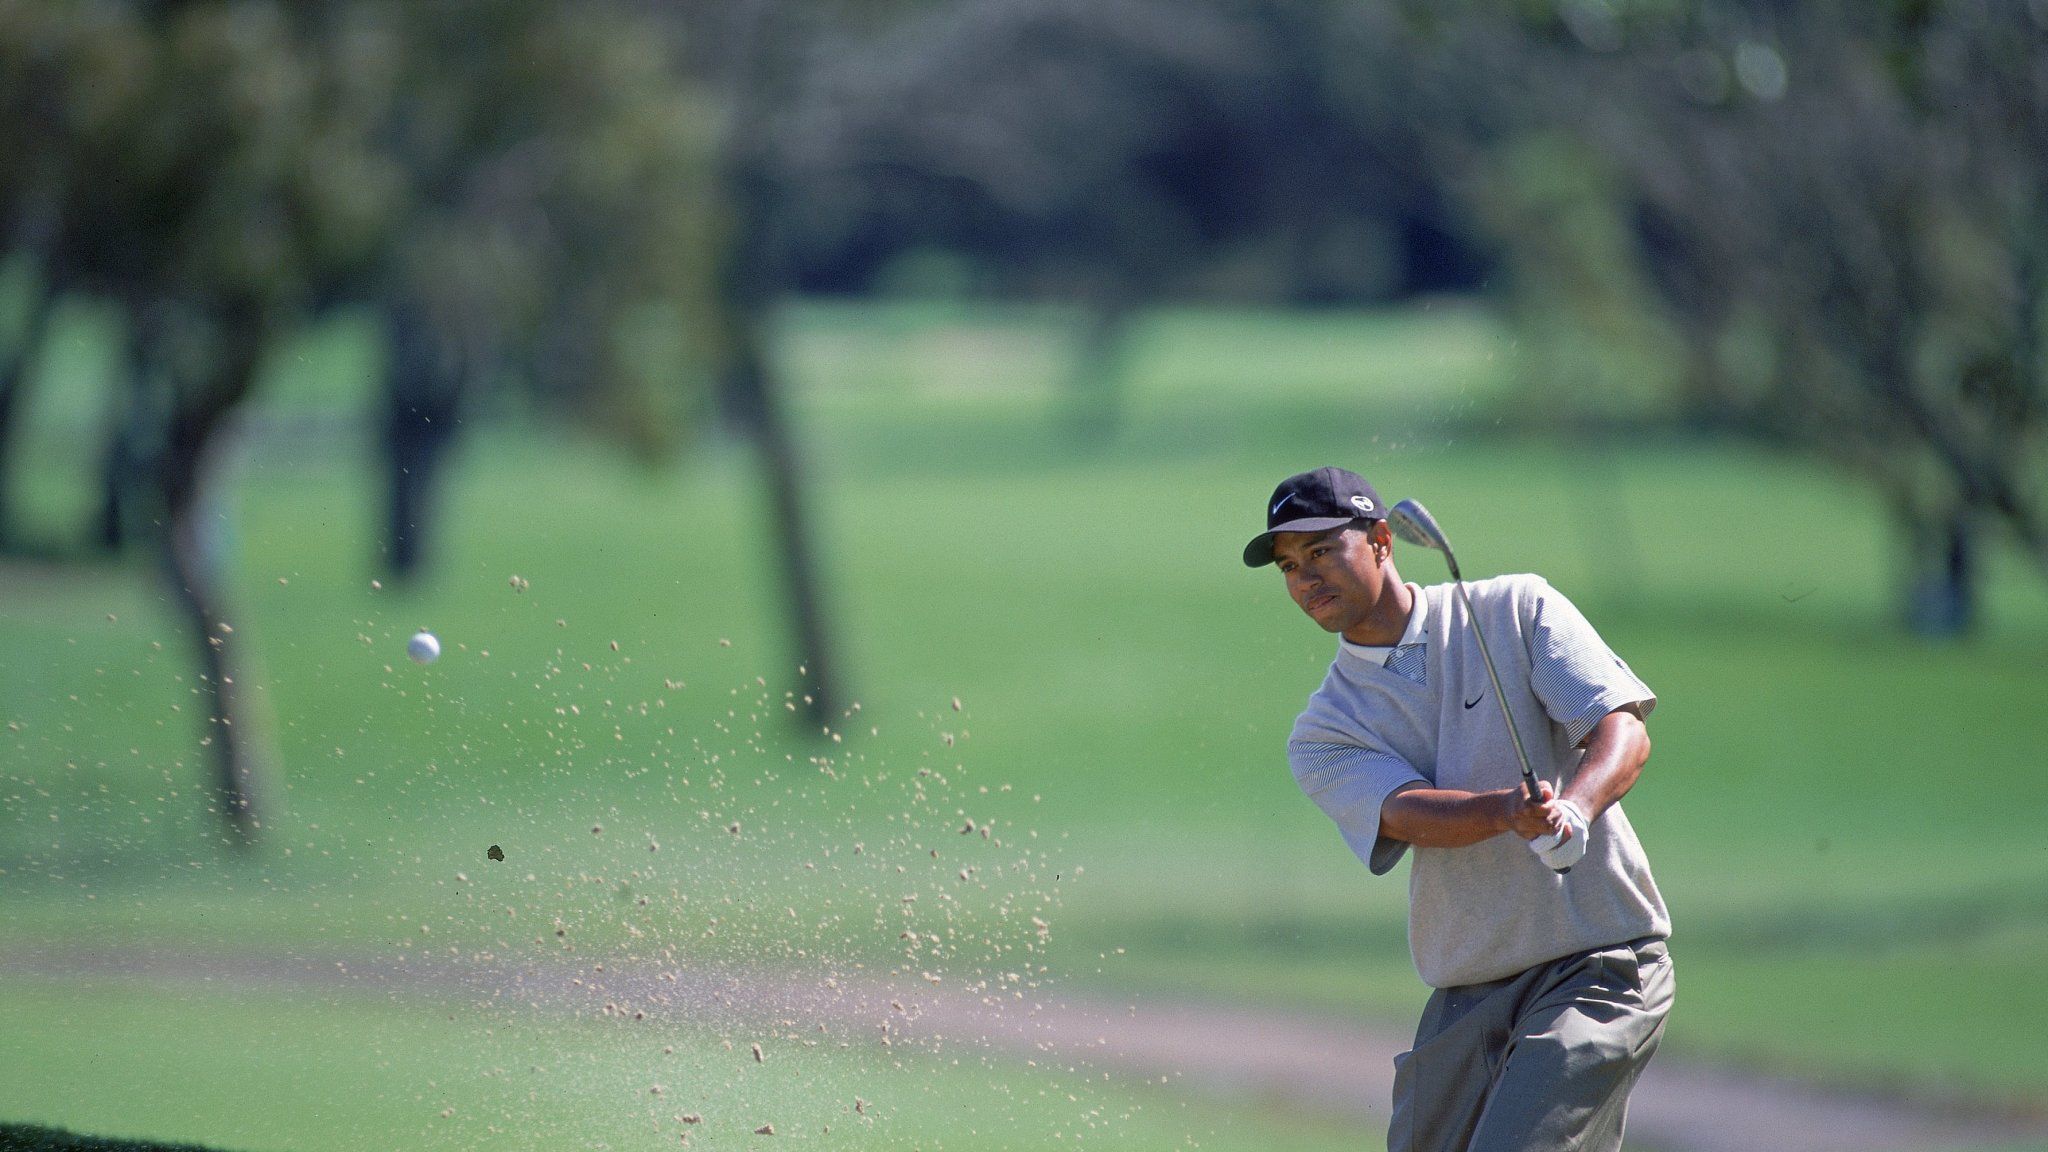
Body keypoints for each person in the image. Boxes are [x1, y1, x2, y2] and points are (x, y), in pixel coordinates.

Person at [1243, 466, 1673, 1152]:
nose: (1304, 578)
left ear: (1383, 540)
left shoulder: (1514, 609)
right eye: (1290, 566)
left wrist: (1576, 810)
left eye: (1322, 550)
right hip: (1467, 995)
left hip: (1598, 963)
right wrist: (1508, 810)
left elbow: (1621, 730)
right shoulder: (1325, 730)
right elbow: (1407, 812)